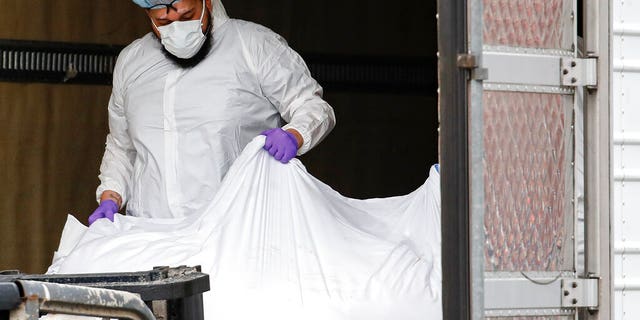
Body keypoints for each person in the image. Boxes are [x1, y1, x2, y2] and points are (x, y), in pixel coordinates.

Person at [88, 0, 335, 224]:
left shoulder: (253, 45)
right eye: (163, 21)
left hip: (238, 230)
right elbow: (122, 145)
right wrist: (112, 194)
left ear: (206, 2)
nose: (175, 28)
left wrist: (295, 133)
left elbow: (312, 106)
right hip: (153, 233)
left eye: (186, 17)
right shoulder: (132, 62)